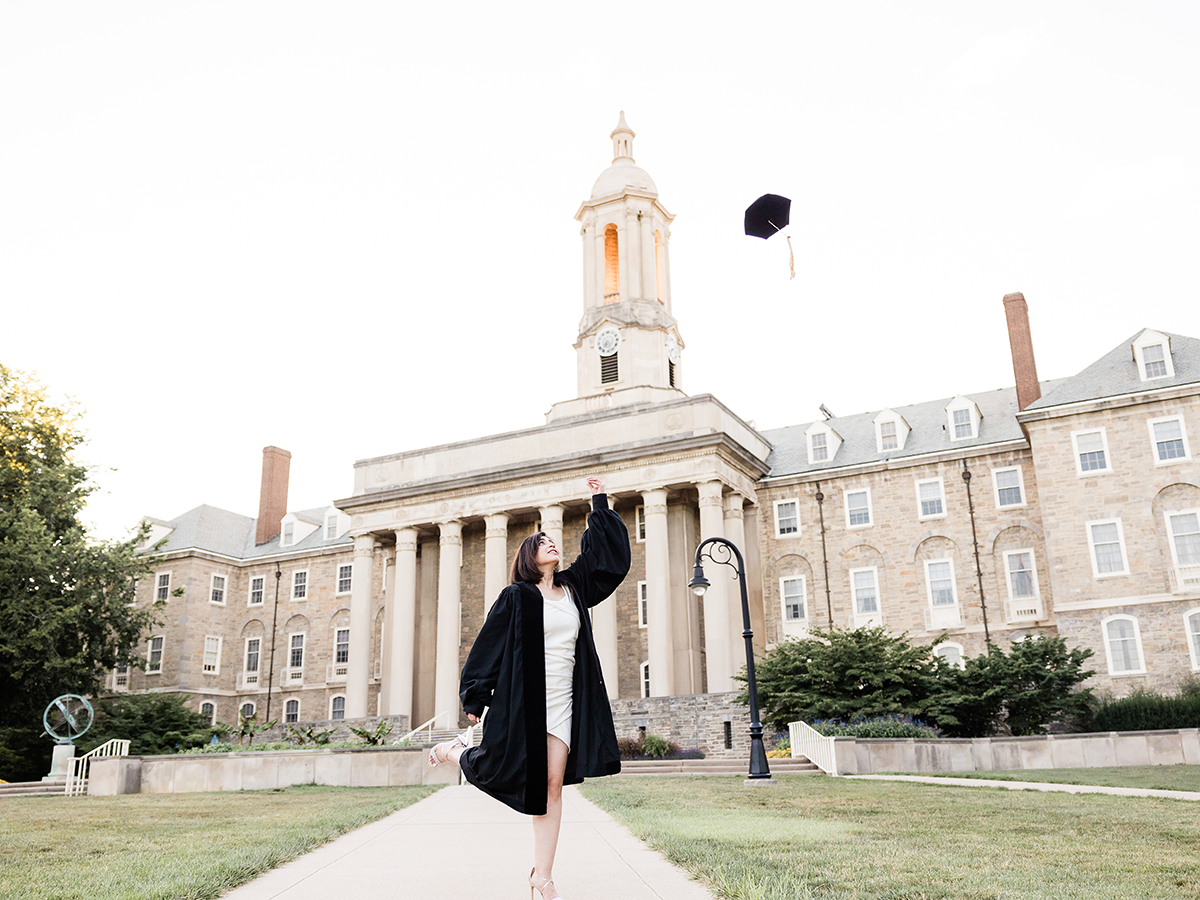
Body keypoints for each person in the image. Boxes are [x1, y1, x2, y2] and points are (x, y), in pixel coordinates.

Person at [428, 476, 630, 900]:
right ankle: (455, 752)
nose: (551, 544)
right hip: (525, 702)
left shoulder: (574, 589)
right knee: (500, 769)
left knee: (551, 786)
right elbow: (489, 645)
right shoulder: (515, 597)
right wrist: (476, 696)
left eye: (553, 540)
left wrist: (598, 502)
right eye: (542, 542)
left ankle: (543, 875)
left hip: (565, 702)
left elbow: (608, 561)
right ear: (528, 555)